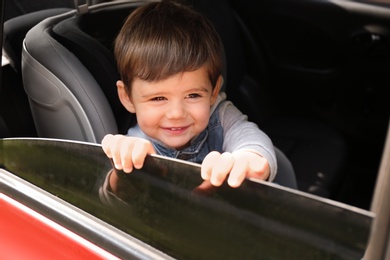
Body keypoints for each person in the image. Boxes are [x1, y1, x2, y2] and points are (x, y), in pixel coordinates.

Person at [101, 0, 277, 190]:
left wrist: (248, 158)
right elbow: (113, 203)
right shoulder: (134, 147)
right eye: (158, 98)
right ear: (127, 97)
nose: (176, 113)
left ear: (214, 91)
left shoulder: (219, 116)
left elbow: (250, 137)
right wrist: (123, 175)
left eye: (193, 95)